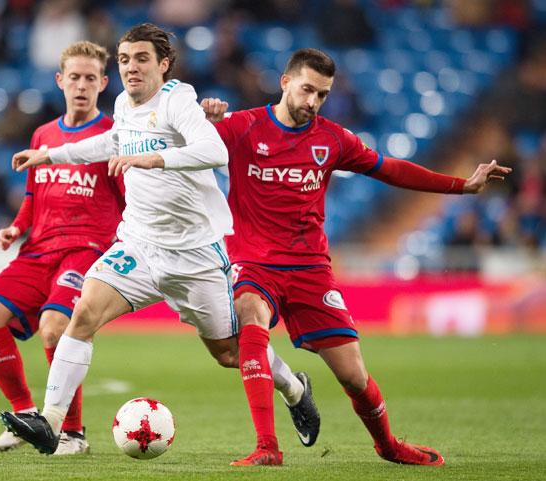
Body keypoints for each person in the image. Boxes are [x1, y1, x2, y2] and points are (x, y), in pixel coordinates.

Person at [0, 23, 319, 460]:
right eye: (125, 59)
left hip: (195, 255)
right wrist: (52, 154)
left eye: (142, 59)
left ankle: (295, 387)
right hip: (139, 245)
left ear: (163, 65)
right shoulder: (122, 104)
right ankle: (52, 423)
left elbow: (215, 152)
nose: (131, 67)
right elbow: (113, 140)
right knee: (83, 314)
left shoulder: (178, 101)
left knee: (229, 353)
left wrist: (154, 159)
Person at [201, 47, 511, 466]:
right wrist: (203, 119)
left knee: (353, 375)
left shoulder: (331, 139)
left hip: (310, 269)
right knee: (251, 318)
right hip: (254, 263)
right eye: (307, 89)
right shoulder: (242, 127)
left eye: (322, 95)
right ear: (286, 82)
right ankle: (267, 447)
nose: (312, 102)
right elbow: (185, 145)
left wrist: (461, 186)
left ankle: (387, 445)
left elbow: (391, 169)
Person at [0, 41, 124, 455]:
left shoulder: (113, 136)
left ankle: (72, 432)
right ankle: (25, 416)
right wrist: (16, 227)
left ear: (103, 83)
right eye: (74, 77)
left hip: (85, 250)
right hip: (38, 249)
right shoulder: (44, 134)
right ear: (60, 80)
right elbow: (34, 194)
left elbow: (130, 197)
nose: (81, 85)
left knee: (56, 326)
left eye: (90, 78)